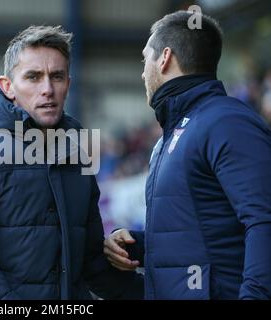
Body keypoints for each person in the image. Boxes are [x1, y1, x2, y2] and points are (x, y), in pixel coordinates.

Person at [0, 25, 143, 300]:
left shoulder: (76, 157)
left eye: (57, 76)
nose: (47, 89)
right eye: (33, 77)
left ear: (68, 82)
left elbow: (89, 262)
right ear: (7, 87)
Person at [104, 11, 271, 299]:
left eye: (146, 59)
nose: (143, 71)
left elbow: (264, 221)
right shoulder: (173, 135)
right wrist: (137, 246)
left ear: (165, 57)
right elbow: (204, 236)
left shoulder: (227, 122)